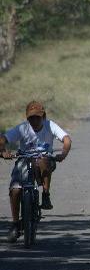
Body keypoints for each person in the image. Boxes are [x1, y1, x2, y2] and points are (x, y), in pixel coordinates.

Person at [0, 101, 72, 242]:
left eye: (37, 117)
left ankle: (45, 193)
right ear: (27, 118)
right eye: (31, 118)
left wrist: (63, 154)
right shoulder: (22, 128)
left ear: (43, 117)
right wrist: (3, 151)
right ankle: (15, 224)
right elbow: (3, 139)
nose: (34, 120)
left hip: (45, 160)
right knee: (15, 190)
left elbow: (67, 140)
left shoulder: (50, 125)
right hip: (24, 160)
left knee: (43, 161)